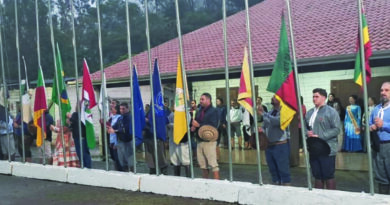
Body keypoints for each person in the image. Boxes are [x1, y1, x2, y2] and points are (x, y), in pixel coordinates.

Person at [305, 88, 340, 190]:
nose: (314, 99)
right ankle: (318, 199)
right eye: (313, 97)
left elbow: (337, 129)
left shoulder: (331, 112)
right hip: (314, 149)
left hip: (327, 149)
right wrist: (307, 132)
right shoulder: (310, 112)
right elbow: (304, 127)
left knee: (328, 175)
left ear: (324, 98)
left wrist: (320, 136)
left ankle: (331, 199)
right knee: (317, 175)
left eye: (317, 96)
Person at [259, 96, 291, 185]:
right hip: (269, 145)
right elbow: (265, 125)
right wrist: (261, 130)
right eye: (272, 97)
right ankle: (276, 187)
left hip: (280, 145)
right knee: (272, 169)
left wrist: (263, 114)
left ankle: (286, 190)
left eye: (275, 97)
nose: (272, 98)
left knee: (283, 169)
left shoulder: (284, 112)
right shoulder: (270, 112)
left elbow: (277, 122)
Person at [191, 93, 219, 179]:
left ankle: (218, 185)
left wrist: (199, 125)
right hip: (200, 140)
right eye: (200, 99)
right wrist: (193, 127)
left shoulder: (214, 111)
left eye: (202, 99)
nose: (200, 101)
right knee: (202, 165)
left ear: (208, 100)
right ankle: (205, 183)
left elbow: (213, 125)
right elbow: (196, 121)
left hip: (209, 141)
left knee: (213, 164)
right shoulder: (199, 110)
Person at [370, 82, 390, 194]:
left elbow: (383, 124)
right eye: (382, 90)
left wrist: (384, 125)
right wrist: (371, 127)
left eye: (387, 90)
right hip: (377, 147)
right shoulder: (376, 109)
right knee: (381, 178)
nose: (383, 93)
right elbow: (368, 124)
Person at [108, 102, 134, 172]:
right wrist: (110, 128)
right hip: (121, 140)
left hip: (128, 141)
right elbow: (115, 126)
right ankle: (125, 174)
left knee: (130, 160)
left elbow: (126, 129)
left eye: (123, 109)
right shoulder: (121, 117)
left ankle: (132, 174)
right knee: (122, 160)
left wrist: (115, 131)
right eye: (120, 109)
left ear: (128, 108)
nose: (122, 110)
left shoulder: (129, 117)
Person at [168, 108, 190, 177]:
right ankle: (177, 178)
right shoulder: (172, 114)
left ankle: (189, 179)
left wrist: (172, 125)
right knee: (175, 160)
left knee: (185, 160)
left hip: (182, 141)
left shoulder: (186, 113)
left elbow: (186, 125)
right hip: (173, 140)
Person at [107, 104, 122, 171]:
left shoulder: (119, 117)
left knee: (117, 158)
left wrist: (115, 143)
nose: (111, 110)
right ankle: (116, 170)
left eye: (113, 108)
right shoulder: (112, 117)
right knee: (113, 157)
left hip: (116, 140)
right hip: (112, 140)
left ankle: (120, 171)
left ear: (116, 110)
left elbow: (116, 130)